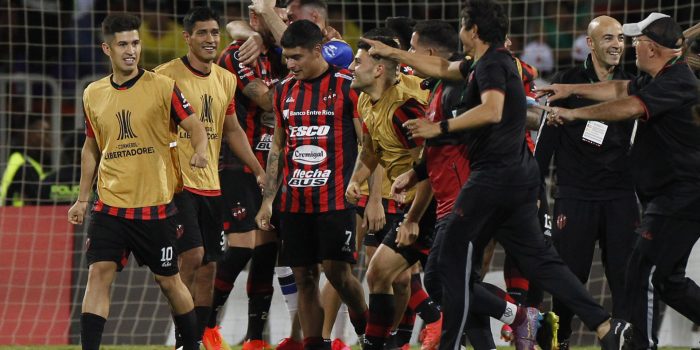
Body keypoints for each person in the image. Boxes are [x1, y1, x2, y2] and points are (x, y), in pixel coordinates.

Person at [361, 1, 632, 349]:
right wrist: (395, 55)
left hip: (492, 178)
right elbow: (442, 65)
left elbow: (492, 110)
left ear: (473, 31)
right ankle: (605, 325)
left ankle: (457, 342)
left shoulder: (493, 64)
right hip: (516, 179)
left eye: (462, 26)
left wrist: (437, 128)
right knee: (539, 261)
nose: (460, 33)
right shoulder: (484, 63)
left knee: (445, 269)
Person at [538, 12, 700, 350]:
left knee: (643, 276)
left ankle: (636, 343)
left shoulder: (676, 81)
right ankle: (566, 338)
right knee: (663, 280)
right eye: (613, 38)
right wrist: (568, 90)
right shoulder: (655, 77)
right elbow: (617, 89)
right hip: (638, 197)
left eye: (633, 40)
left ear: (651, 48)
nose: (627, 46)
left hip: (673, 196)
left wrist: (575, 112)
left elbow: (628, 105)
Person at [67, 13, 209, 350]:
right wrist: (83, 198)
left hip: (155, 207)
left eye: (135, 43)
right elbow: (91, 147)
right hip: (110, 205)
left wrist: (200, 150)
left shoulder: (162, 86)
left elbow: (195, 126)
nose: (131, 50)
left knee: (169, 281)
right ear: (107, 48)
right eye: (123, 44)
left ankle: (191, 345)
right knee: (99, 273)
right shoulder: (93, 93)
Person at [154, 6, 267, 347]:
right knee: (190, 257)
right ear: (187, 37)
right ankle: (181, 340)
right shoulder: (164, 77)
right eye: (202, 33)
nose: (210, 39)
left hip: (211, 184)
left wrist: (259, 169)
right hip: (178, 183)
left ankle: (197, 338)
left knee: (208, 267)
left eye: (214, 33)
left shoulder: (225, 79)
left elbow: (232, 130)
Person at [255, 20, 368, 350]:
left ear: (318, 51)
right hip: (294, 204)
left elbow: (369, 145)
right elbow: (278, 145)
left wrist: (371, 196)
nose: (290, 64)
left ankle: (365, 324)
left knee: (338, 275)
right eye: (286, 58)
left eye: (296, 57)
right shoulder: (284, 90)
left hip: (335, 201)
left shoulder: (348, 86)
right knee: (304, 278)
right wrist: (267, 201)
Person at [533, 16, 638, 350]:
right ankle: (559, 340)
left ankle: (625, 341)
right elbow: (544, 142)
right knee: (570, 275)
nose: (616, 45)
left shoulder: (632, 84)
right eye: (608, 38)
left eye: (621, 38)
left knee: (623, 277)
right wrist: (534, 190)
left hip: (621, 195)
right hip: (575, 194)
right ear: (590, 44)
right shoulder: (566, 83)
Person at [343, 28, 440, 350]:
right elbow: (371, 149)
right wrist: (356, 180)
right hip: (410, 204)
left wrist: (412, 219)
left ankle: (514, 314)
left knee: (450, 284)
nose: (352, 68)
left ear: (379, 69)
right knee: (381, 275)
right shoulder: (367, 103)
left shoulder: (404, 109)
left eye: (358, 62)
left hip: (432, 205)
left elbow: (429, 169)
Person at [206, 3, 295, 350]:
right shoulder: (238, 55)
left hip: (273, 165)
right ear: (256, 17)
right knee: (242, 246)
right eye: (277, 16)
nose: (282, 23)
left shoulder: (280, 54)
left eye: (286, 18)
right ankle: (205, 323)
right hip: (238, 163)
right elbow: (268, 100)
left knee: (266, 251)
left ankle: (255, 340)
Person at [229, 0, 353, 69]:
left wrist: (266, 10)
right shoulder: (281, 48)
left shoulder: (338, 49)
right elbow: (232, 25)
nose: (289, 24)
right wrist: (254, 35)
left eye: (292, 18)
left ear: (314, 16)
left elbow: (298, 48)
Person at [1, 115, 52, 206]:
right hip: (18, 216)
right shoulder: (19, 161)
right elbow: (5, 195)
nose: (48, 139)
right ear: (27, 133)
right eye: (43, 133)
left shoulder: (37, 162)